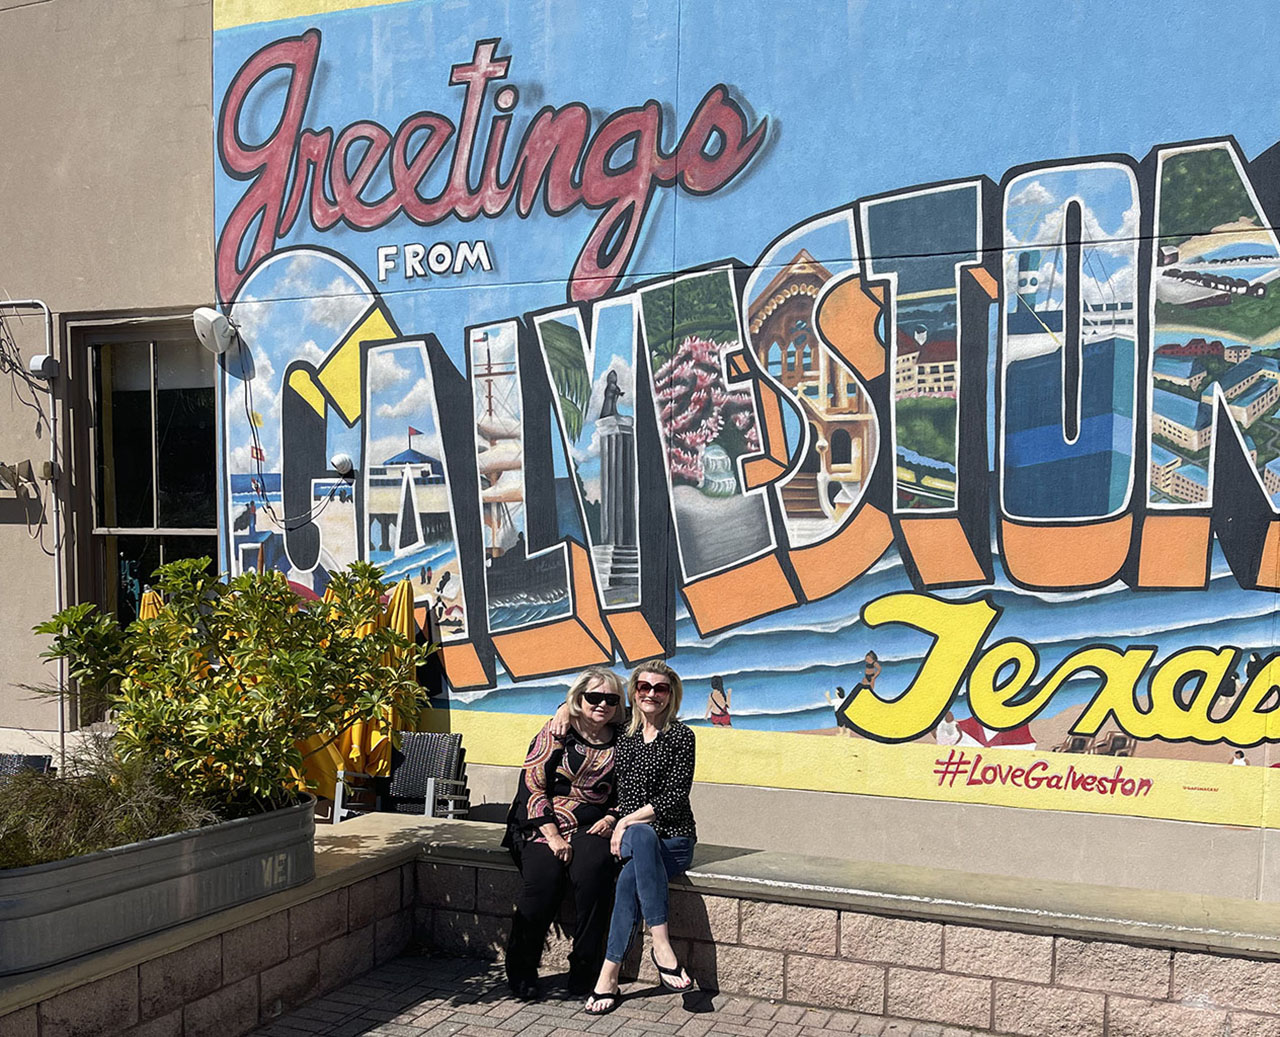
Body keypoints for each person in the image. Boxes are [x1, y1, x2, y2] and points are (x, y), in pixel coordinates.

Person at [503, 668, 625, 1000]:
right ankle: (522, 969)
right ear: (578, 698)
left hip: (592, 825)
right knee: (545, 879)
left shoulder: (623, 738)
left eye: (611, 699)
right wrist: (553, 835)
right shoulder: (557, 731)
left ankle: (584, 968)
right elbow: (532, 786)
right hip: (540, 823)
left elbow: (629, 790)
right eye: (594, 697)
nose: (602, 704)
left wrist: (612, 817)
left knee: (595, 874)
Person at [585, 661, 697, 1015]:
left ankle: (608, 975)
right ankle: (662, 947)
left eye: (660, 688)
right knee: (643, 835)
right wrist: (618, 820)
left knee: (628, 880)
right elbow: (583, 709)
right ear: (633, 693)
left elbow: (675, 797)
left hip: (675, 841)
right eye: (644, 687)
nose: (651, 694)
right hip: (636, 835)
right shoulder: (624, 734)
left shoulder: (681, 736)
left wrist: (624, 822)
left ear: (671, 695)